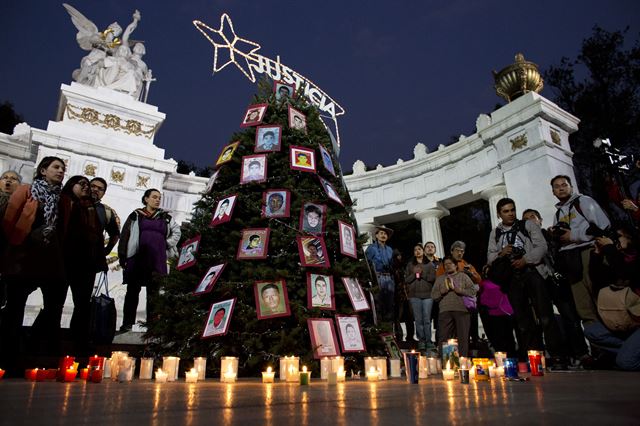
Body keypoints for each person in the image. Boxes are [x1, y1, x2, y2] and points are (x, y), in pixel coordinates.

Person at [0, 157, 66, 373]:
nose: (60, 171)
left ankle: (35, 347)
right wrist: (16, 245)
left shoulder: (62, 198)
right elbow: (9, 220)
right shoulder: (27, 191)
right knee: (15, 308)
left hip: (50, 259)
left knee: (54, 304)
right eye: (56, 167)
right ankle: (8, 357)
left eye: (62, 169)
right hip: (24, 256)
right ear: (43, 170)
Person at [488, 198, 567, 367]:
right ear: (499, 214)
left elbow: (542, 246)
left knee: (545, 315)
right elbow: (490, 257)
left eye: (512, 210)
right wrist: (502, 253)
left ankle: (558, 355)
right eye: (505, 211)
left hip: (532, 272)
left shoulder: (527, 225)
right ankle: (534, 357)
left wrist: (526, 259)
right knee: (522, 320)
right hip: (512, 277)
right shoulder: (495, 233)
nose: (510, 214)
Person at [522, 208, 590, 365]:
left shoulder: (552, 236)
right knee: (546, 319)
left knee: (569, 315)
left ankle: (581, 352)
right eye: (526, 219)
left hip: (558, 279)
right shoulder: (525, 242)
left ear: (540, 220)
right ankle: (558, 354)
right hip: (540, 280)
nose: (530, 220)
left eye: (533, 217)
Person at [551, 175, 611, 325]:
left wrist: (573, 235)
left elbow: (603, 225)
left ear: (571, 187)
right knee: (583, 306)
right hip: (570, 259)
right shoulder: (558, 213)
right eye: (557, 186)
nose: (561, 188)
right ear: (553, 192)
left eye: (564, 184)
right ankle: (597, 343)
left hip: (589, 253)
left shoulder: (584, 201)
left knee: (601, 299)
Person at [118, 188, 180, 332]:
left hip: (157, 260)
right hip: (137, 258)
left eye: (159, 198)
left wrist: (167, 243)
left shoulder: (166, 217)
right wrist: (122, 255)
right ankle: (127, 324)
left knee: (154, 294)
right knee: (132, 292)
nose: (157, 200)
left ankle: (152, 326)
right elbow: (125, 235)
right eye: (154, 197)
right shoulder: (136, 215)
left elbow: (177, 232)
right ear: (146, 199)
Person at [59, 175, 107, 351]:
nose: (88, 188)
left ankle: (79, 339)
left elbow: (104, 234)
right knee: (56, 301)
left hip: (86, 261)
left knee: (83, 303)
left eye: (89, 185)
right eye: (83, 184)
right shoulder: (64, 202)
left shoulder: (93, 208)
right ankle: (49, 338)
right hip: (65, 258)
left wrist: (103, 254)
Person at [584, 225, 640, 370]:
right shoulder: (617, 258)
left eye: (619, 236)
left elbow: (625, 273)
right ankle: (629, 350)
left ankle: (629, 354)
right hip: (629, 322)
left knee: (626, 363)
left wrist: (610, 248)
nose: (615, 240)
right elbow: (598, 279)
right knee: (592, 332)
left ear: (630, 238)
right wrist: (597, 254)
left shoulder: (634, 258)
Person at [436, 241, 481, 347]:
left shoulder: (466, 264)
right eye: (457, 251)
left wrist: (471, 274)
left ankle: (473, 342)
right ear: (451, 251)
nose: (460, 253)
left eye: (462, 251)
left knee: (468, 326)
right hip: (449, 303)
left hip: (467, 302)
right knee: (448, 331)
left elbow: (479, 280)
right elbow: (439, 280)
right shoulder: (444, 265)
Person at [431, 256, 477, 357]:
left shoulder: (463, 276)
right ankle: (446, 362)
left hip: (462, 310)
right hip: (445, 311)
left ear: (456, 266)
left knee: (463, 337)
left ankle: (462, 361)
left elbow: (473, 291)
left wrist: (459, 290)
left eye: (450, 264)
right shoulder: (440, 279)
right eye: (445, 264)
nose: (447, 266)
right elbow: (433, 296)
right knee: (443, 337)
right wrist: (442, 292)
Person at [405, 243, 436, 351]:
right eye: (415, 250)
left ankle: (428, 340)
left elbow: (433, 279)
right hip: (414, 296)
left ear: (423, 251)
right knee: (418, 319)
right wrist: (414, 274)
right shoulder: (410, 265)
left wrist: (421, 274)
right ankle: (421, 341)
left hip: (427, 295)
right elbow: (407, 280)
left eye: (419, 249)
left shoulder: (430, 265)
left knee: (427, 319)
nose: (417, 251)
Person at [365, 225, 395, 322]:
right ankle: (380, 329)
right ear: (376, 236)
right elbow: (366, 263)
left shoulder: (390, 249)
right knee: (379, 304)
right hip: (377, 277)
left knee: (389, 305)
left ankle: (390, 330)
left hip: (389, 278)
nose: (383, 235)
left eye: (385, 234)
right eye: (381, 233)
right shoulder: (371, 248)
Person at [89, 177, 120, 257]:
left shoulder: (107, 212)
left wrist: (107, 250)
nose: (95, 189)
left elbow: (115, 234)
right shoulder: (72, 203)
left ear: (103, 193)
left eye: (100, 189)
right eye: (92, 186)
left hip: (91, 258)